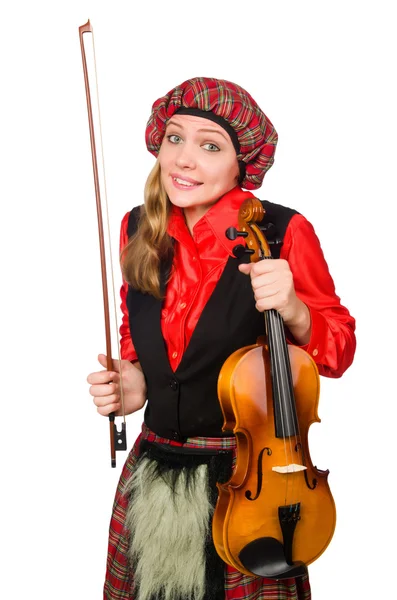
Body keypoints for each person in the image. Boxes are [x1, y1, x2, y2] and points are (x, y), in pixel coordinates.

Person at [87, 76, 356, 600]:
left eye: (210, 146)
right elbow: (135, 335)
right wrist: (134, 379)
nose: (184, 160)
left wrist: (297, 310)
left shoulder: (281, 232)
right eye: (175, 138)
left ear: (242, 164)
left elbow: (339, 348)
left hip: (250, 483)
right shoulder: (137, 228)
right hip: (155, 467)